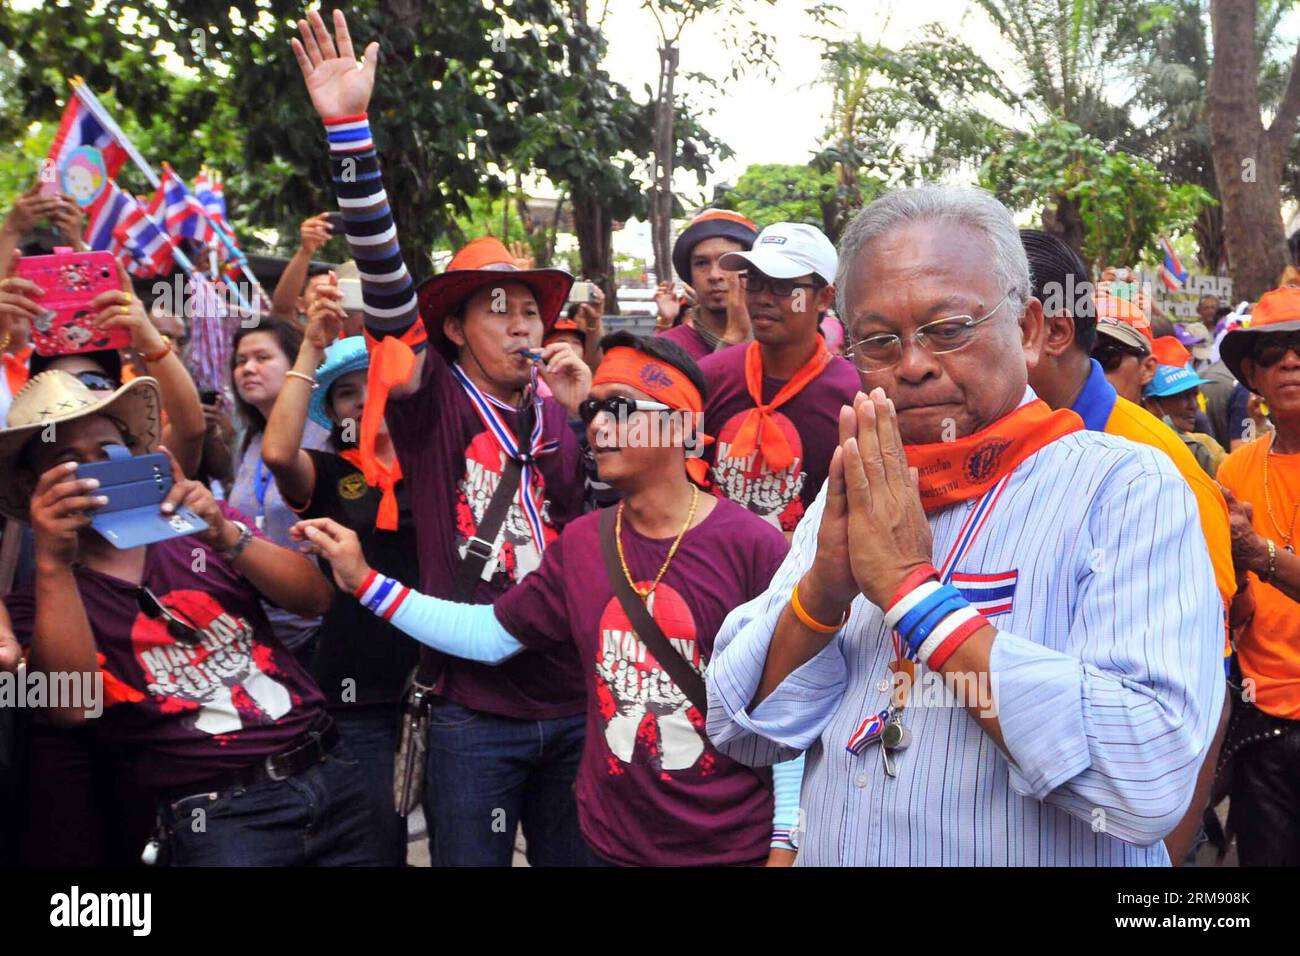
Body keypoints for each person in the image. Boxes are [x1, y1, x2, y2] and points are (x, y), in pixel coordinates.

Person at [706, 186, 1225, 866]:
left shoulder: (1125, 486)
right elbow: (741, 732)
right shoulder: (863, 481)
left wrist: (915, 596)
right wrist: (822, 593)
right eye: (879, 341)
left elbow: (1144, 778)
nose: (914, 364)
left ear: (1032, 328)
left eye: (948, 330)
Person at [294, 331, 803, 866]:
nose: (599, 425)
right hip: (610, 846)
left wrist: (784, 840)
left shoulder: (753, 547)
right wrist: (366, 583)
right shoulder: (583, 543)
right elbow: (489, 636)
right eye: (594, 409)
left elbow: (787, 707)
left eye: (620, 409)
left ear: (680, 426)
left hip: (731, 847)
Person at [292, 8, 594, 866]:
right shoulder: (434, 404)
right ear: (455, 331)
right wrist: (351, 132)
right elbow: (388, 288)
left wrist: (582, 422)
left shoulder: (554, 414)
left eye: (532, 307)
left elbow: (590, 535)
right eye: (497, 307)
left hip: (571, 700)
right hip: (473, 713)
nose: (522, 322)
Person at [1, 370, 381, 866]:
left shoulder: (198, 535)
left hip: (332, 775)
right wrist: (53, 559)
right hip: (220, 819)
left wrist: (226, 534)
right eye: (68, 461)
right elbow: (71, 708)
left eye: (108, 452)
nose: (94, 471)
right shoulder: (40, 600)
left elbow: (314, 600)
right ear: (33, 484)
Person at [1021, 229, 1235, 863]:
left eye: (964, 326)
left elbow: (1210, 674)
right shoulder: (991, 443)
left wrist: (1162, 850)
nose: (933, 359)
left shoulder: (1157, 463)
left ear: (1049, 331)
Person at [261, 293, 418, 867]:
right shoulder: (327, 473)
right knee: (377, 842)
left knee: (460, 835)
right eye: (345, 393)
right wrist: (310, 344)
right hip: (358, 690)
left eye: (370, 387)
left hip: (444, 682)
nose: (360, 401)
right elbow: (278, 452)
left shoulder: (436, 462)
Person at [701, 222, 860, 536]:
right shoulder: (709, 377)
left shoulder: (853, 396)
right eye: (755, 283)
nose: (763, 298)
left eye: (783, 286)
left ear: (824, 298)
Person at [1215, 286, 1300, 865]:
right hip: (1263, 725)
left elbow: (1255, 556)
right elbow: (1235, 601)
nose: (1291, 362)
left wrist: (1260, 554)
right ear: (1252, 374)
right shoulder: (1238, 465)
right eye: (1274, 353)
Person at [227, 319, 329, 654]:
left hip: (320, 630)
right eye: (241, 361)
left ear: (294, 366)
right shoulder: (249, 440)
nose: (248, 369)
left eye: (262, 358)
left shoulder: (326, 433)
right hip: (260, 633)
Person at [655, 209, 759, 360]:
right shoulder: (667, 350)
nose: (714, 275)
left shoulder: (780, 342)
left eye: (727, 261)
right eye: (701, 263)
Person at [1142, 339, 1226, 478]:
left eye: (1195, 395)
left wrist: (1257, 425)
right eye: (1183, 396)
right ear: (1152, 404)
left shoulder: (1204, 445)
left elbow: (1239, 473)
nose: (1193, 405)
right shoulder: (1140, 448)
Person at [269, 212, 337, 324]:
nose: (327, 295)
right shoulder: (294, 336)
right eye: (319, 289)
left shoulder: (356, 334)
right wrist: (306, 250)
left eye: (334, 290)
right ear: (300, 305)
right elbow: (282, 309)